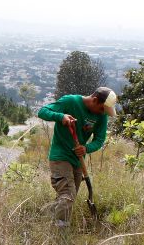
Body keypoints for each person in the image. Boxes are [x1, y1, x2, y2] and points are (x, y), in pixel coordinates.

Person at [38, 87, 117, 227]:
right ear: (94, 100)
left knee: (68, 197)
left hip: (77, 161)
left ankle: (44, 216)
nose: (102, 113)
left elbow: (99, 140)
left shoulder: (101, 115)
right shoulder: (70, 101)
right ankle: (60, 234)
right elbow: (43, 112)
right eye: (101, 109)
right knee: (68, 196)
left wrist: (86, 148)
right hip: (60, 156)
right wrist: (60, 116)